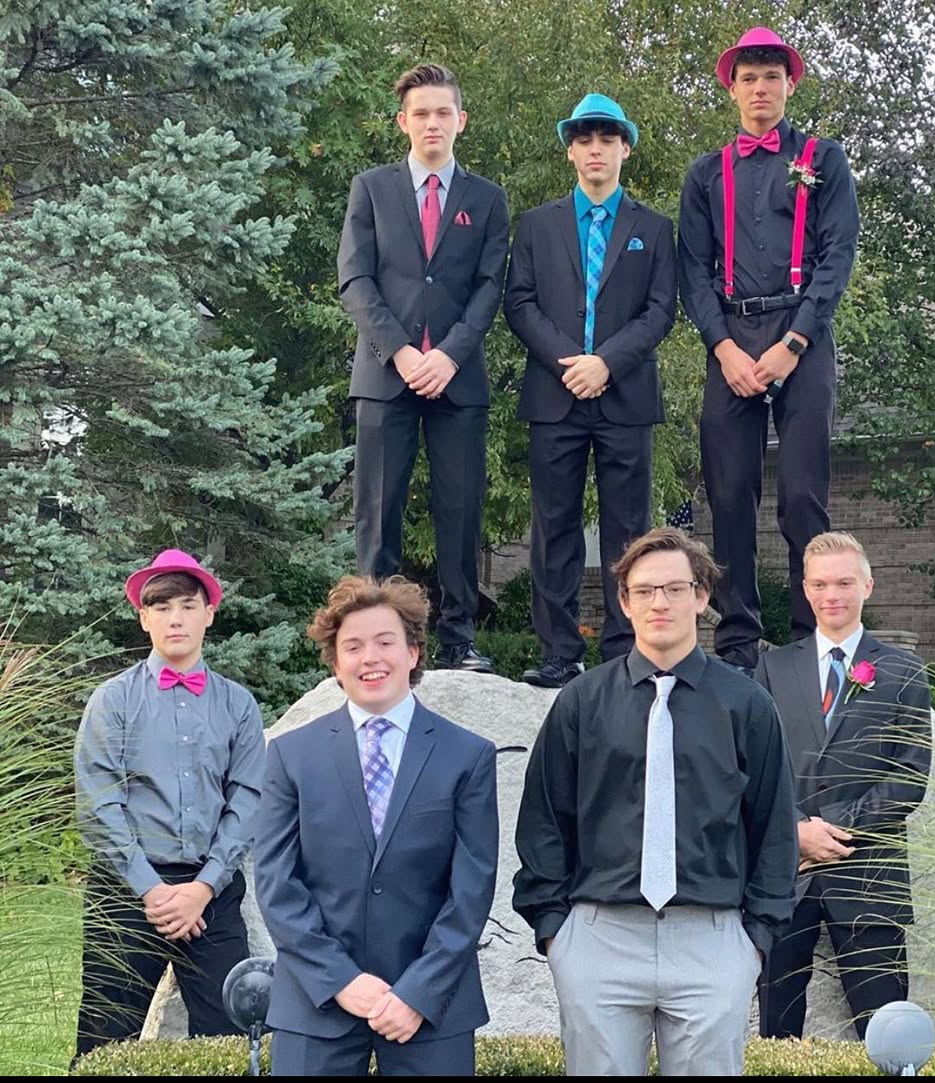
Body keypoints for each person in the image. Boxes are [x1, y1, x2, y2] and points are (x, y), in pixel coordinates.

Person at [513, 527, 797, 1075]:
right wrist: (555, 931)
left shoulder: (747, 705)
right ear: (624, 602)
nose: (658, 602)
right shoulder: (582, 701)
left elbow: (774, 826)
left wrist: (755, 940)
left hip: (712, 940)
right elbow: (545, 817)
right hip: (600, 939)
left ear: (701, 597)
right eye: (643, 590)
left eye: (674, 588)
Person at [255, 575, 498, 1076]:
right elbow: (277, 883)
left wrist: (418, 993)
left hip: (431, 1009)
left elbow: (471, 890)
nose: (371, 658)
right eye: (353, 647)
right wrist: (340, 980)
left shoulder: (467, 756)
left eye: (385, 642)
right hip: (317, 1003)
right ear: (335, 663)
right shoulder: (291, 756)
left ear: (413, 652)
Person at [678, 26, 860, 675]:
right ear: (732, 88)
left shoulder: (824, 159)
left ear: (789, 86)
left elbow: (837, 255)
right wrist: (722, 346)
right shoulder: (705, 174)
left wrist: (795, 341)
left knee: (804, 495)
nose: (761, 88)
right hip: (731, 337)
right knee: (728, 494)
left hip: (801, 336)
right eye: (749, 78)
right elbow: (692, 269)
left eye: (772, 77)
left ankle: (814, 640)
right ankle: (736, 643)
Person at [337, 63, 510, 674]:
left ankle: (458, 639)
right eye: (421, 113)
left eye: (442, 112)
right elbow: (355, 280)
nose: (432, 123)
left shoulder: (487, 199)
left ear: (461, 120)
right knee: (378, 510)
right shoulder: (371, 189)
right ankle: (376, 639)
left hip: (457, 380)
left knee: (459, 511)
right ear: (402, 122)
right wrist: (403, 352)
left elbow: (490, 288)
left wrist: (448, 355)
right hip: (386, 376)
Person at [504, 94, 676, 688]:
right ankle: (559, 649)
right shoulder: (536, 225)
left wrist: (605, 363)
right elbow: (519, 303)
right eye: (584, 139)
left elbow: (661, 311)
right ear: (570, 151)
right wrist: (569, 364)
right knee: (553, 526)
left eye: (607, 138)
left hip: (626, 396)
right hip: (555, 397)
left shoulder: (654, 228)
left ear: (625, 148)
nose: (595, 149)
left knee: (629, 530)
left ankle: (626, 649)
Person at [73, 549, 265, 1060]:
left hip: (211, 893)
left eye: (187, 605)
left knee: (231, 1043)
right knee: (104, 1044)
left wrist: (203, 888)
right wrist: (152, 891)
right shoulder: (113, 700)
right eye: (161, 608)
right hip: (126, 890)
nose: (175, 618)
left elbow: (247, 799)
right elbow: (99, 802)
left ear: (209, 613)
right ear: (144, 618)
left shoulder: (238, 705)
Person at [754, 531, 932, 1039]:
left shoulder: (903, 671)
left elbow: (909, 775)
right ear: (806, 590)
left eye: (844, 583)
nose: (831, 594)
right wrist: (795, 831)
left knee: (887, 1033)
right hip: (787, 874)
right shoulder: (772, 668)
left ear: (867, 586)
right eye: (820, 584)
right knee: (775, 1033)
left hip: (870, 874)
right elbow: (756, 768)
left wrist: (833, 831)